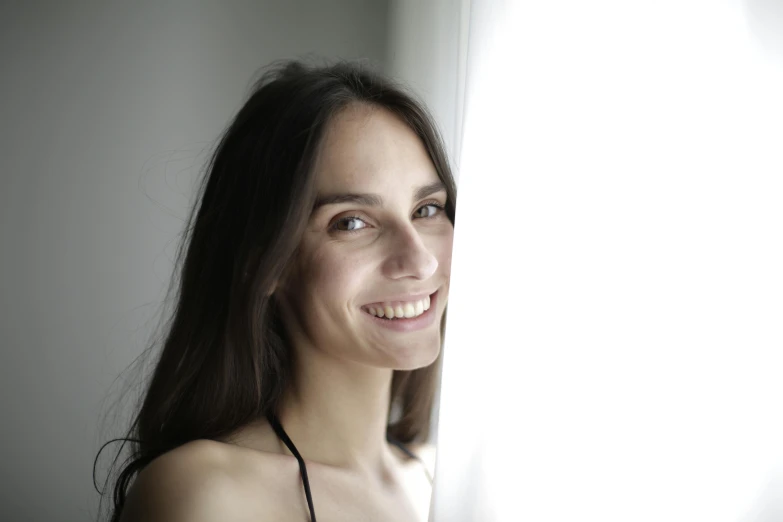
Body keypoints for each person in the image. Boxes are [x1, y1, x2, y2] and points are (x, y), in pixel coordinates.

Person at [96, 58, 456, 522]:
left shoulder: (437, 480)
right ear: (265, 263)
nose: (420, 260)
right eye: (352, 222)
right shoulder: (205, 495)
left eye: (427, 209)